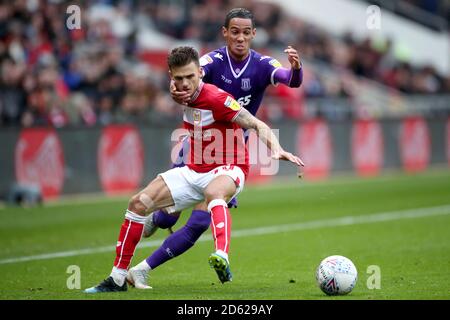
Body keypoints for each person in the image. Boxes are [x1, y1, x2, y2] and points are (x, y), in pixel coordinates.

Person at [84, 46, 303, 293]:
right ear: (171, 77)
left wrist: (276, 149)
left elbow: (254, 123)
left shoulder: (216, 97)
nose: (185, 83)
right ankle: (117, 278)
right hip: (193, 168)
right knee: (137, 204)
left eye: (190, 77)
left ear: (200, 72)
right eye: (179, 78)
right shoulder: (180, 92)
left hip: (228, 167)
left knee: (213, 196)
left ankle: (221, 255)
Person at [139, 7, 303, 284]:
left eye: (246, 32)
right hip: (200, 149)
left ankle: (142, 270)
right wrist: (173, 87)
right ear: (225, 33)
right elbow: (185, 76)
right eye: (234, 32)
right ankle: (158, 220)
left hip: (230, 155)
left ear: (253, 34)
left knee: (200, 222)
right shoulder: (212, 62)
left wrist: (296, 69)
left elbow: (291, 80)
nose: (240, 38)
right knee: (168, 218)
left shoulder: (263, 65)